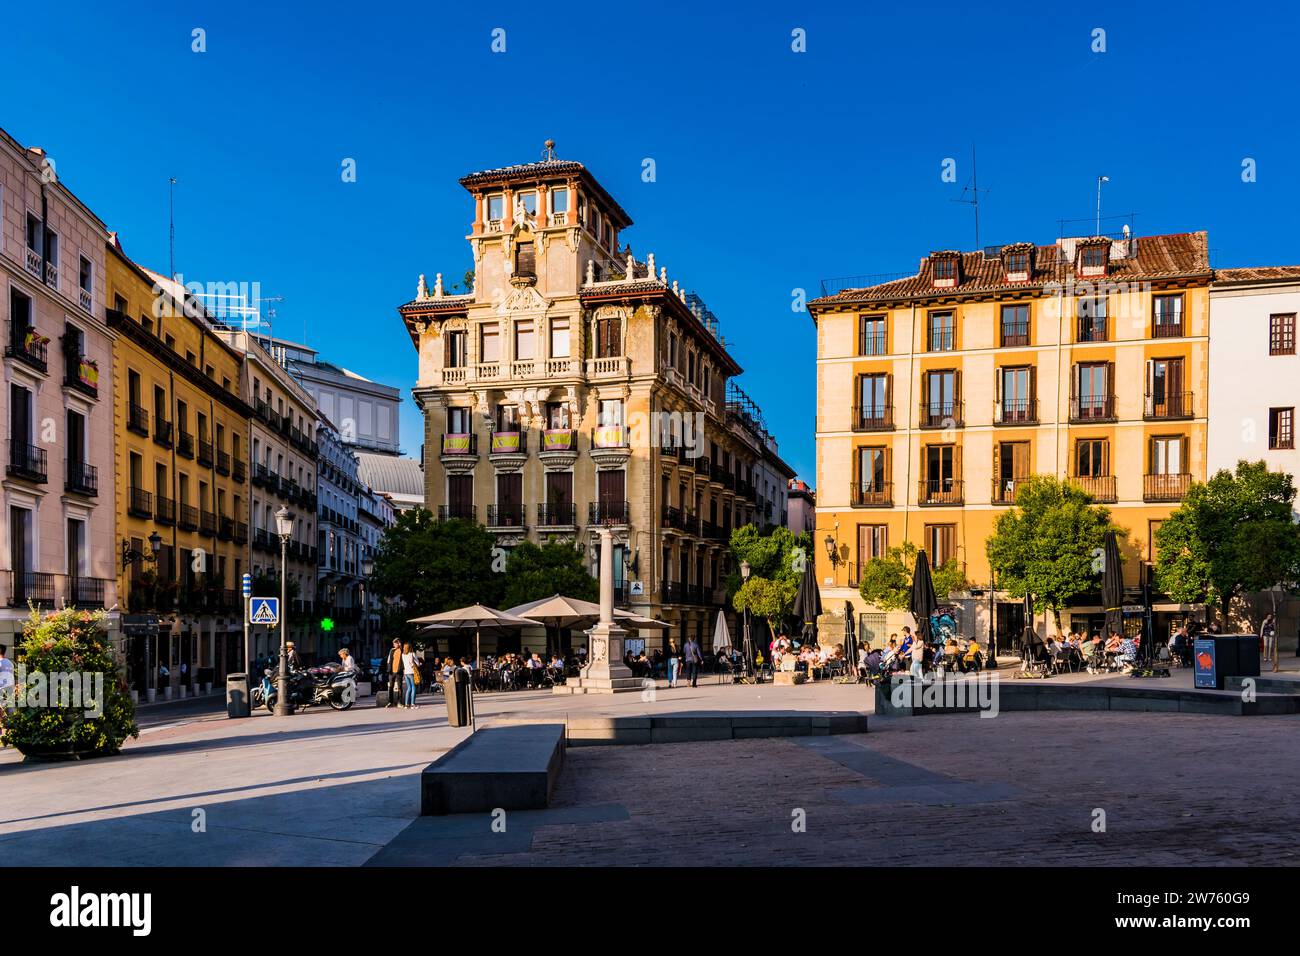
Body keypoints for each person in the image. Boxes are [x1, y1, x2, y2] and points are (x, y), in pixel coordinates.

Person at [386, 638, 403, 708]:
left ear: (398, 643)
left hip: (399, 672)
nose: (394, 645)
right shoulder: (392, 650)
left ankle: (399, 702)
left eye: (395, 643)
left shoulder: (402, 650)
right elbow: (388, 660)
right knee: (390, 687)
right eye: (393, 643)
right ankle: (390, 702)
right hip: (391, 672)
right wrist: (388, 669)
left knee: (399, 687)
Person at [401, 643, 418, 708]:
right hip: (411, 672)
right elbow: (418, 663)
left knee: (409, 688)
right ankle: (412, 704)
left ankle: (406, 704)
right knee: (413, 687)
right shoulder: (412, 654)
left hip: (406, 672)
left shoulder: (402, 655)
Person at [0, 645, 14, 711]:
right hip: (10, 689)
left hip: (1, 689)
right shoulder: (10, 663)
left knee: (2, 712)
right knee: (10, 711)